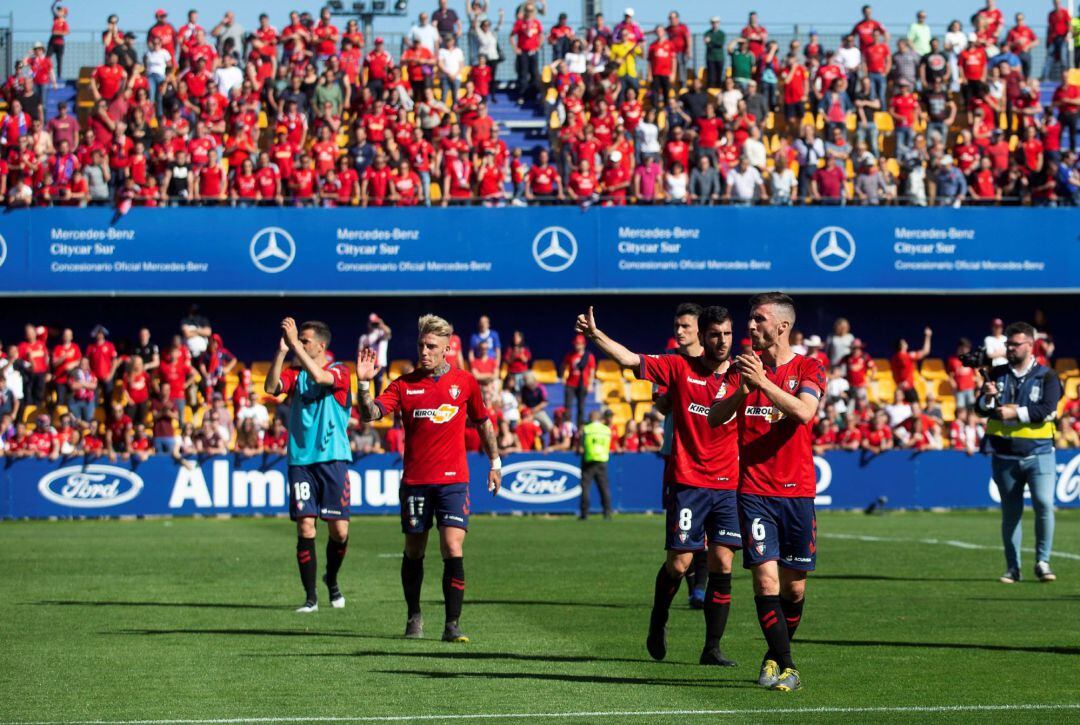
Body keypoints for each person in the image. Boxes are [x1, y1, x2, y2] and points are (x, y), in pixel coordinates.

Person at [579, 304, 741, 668]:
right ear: (703, 336)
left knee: (723, 562)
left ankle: (712, 648)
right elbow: (630, 359)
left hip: (727, 484)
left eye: (728, 334)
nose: (722, 341)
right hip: (689, 481)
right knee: (680, 562)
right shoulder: (678, 367)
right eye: (715, 334)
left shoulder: (743, 374)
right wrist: (596, 336)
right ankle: (659, 617)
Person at [356, 314, 501, 643]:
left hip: (453, 481)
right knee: (414, 550)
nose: (424, 351)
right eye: (421, 344)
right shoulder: (403, 384)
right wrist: (364, 384)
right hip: (416, 482)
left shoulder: (464, 383)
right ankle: (414, 615)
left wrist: (495, 461)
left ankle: (452, 624)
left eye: (431, 346)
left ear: (447, 348)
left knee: (452, 547)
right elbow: (370, 414)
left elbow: (483, 421)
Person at [709, 292, 826, 693]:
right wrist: (744, 389)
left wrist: (762, 383)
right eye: (751, 319)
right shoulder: (742, 367)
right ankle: (790, 667)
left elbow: (805, 412)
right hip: (754, 491)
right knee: (765, 582)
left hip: (797, 492)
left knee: (795, 588)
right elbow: (714, 414)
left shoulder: (810, 366)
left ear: (782, 326)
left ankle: (774, 655)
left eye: (759, 319)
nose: (751, 326)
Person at [264, 318, 353, 613]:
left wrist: (293, 346)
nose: (299, 343)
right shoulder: (295, 373)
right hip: (301, 460)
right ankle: (310, 597)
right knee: (305, 526)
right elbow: (271, 387)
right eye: (298, 339)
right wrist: (280, 352)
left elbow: (320, 378)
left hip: (333, 458)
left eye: (304, 340)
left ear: (321, 346)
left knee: (339, 532)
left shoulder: (340, 370)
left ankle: (333, 580)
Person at [976, 322, 1063, 584]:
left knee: (1044, 505)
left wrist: (1016, 412)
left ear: (1030, 345)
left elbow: (1047, 410)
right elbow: (981, 410)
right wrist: (987, 398)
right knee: (1011, 513)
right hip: (1004, 454)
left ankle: (1042, 561)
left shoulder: (1047, 376)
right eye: (1008, 344)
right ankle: (1013, 567)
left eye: (1015, 344)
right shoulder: (997, 373)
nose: (1010, 348)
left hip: (1040, 452)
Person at [578, 410, 612, 520]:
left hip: (589, 460)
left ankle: (584, 513)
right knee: (604, 488)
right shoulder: (606, 430)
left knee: (586, 488)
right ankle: (607, 513)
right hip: (602, 460)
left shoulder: (586, 429)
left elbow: (581, 445)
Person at [562, 334, 596, 431]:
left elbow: (592, 371)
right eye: (576, 344)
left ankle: (579, 429)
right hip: (570, 384)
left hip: (583, 384)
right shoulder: (570, 355)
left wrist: (590, 384)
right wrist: (564, 377)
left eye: (579, 344)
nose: (577, 346)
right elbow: (565, 366)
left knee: (581, 408)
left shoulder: (589, 356)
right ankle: (567, 428)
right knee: (567, 407)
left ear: (583, 345)